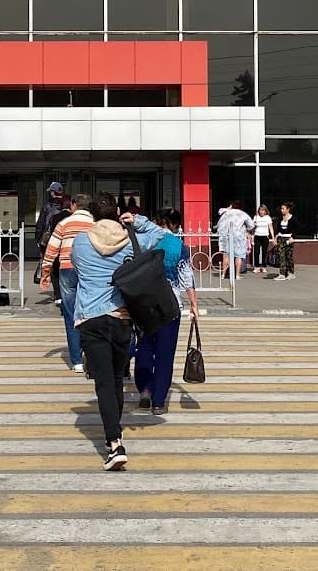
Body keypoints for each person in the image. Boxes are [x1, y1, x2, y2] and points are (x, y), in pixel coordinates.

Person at [69, 193, 133, 471]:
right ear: (117, 211)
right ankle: (114, 435)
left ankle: (114, 443)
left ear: (92, 215)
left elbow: (77, 272)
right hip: (122, 317)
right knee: (116, 379)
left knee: (104, 383)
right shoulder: (131, 239)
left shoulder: (81, 241)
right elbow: (162, 243)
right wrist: (138, 221)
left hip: (91, 318)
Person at [130, 209, 198, 416]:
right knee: (164, 354)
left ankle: (145, 389)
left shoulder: (141, 241)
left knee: (143, 349)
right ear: (174, 224)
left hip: (143, 304)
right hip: (170, 305)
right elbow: (186, 277)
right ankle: (158, 401)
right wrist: (194, 304)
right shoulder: (178, 245)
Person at [41, 193, 94, 373]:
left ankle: (77, 361)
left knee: (71, 314)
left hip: (67, 269)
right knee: (90, 312)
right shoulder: (95, 224)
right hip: (89, 271)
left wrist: (46, 273)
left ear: (73, 205)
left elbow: (51, 248)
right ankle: (91, 354)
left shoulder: (63, 223)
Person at [34, 182, 67, 289]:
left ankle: (57, 292)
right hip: (65, 238)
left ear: (53, 193)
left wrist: (38, 239)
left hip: (50, 239)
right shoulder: (67, 205)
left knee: (51, 263)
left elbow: (41, 224)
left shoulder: (47, 206)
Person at [216, 200, 255, 280]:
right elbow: (251, 225)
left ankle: (223, 274)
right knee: (239, 255)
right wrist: (246, 229)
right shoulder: (243, 214)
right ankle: (237, 275)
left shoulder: (226, 214)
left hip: (226, 236)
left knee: (226, 255)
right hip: (239, 236)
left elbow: (219, 224)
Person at [273, 202, 300, 281]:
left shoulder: (293, 218)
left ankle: (291, 273)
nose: (282, 210)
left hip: (289, 239)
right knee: (281, 255)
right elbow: (278, 229)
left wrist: (293, 237)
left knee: (288, 256)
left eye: (283, 209)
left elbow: (298, 228)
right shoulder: (280, 218)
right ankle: (282, 274)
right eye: (281, 209)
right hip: (281, 238)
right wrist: (275, 238)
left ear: (288, 209)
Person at [252, 204, 274, 269]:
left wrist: (272, 237)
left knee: (264, 252)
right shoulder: (256, 217)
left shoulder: (268, 217)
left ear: (265, 211)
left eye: (263, 210)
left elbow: (270, 227)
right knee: (256, 252)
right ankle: (257, 267)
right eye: (260, 210)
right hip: (257, 236)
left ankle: (264, 266)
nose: (261, 212)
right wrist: (254, 225)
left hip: (265, 236)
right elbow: (251, 228)